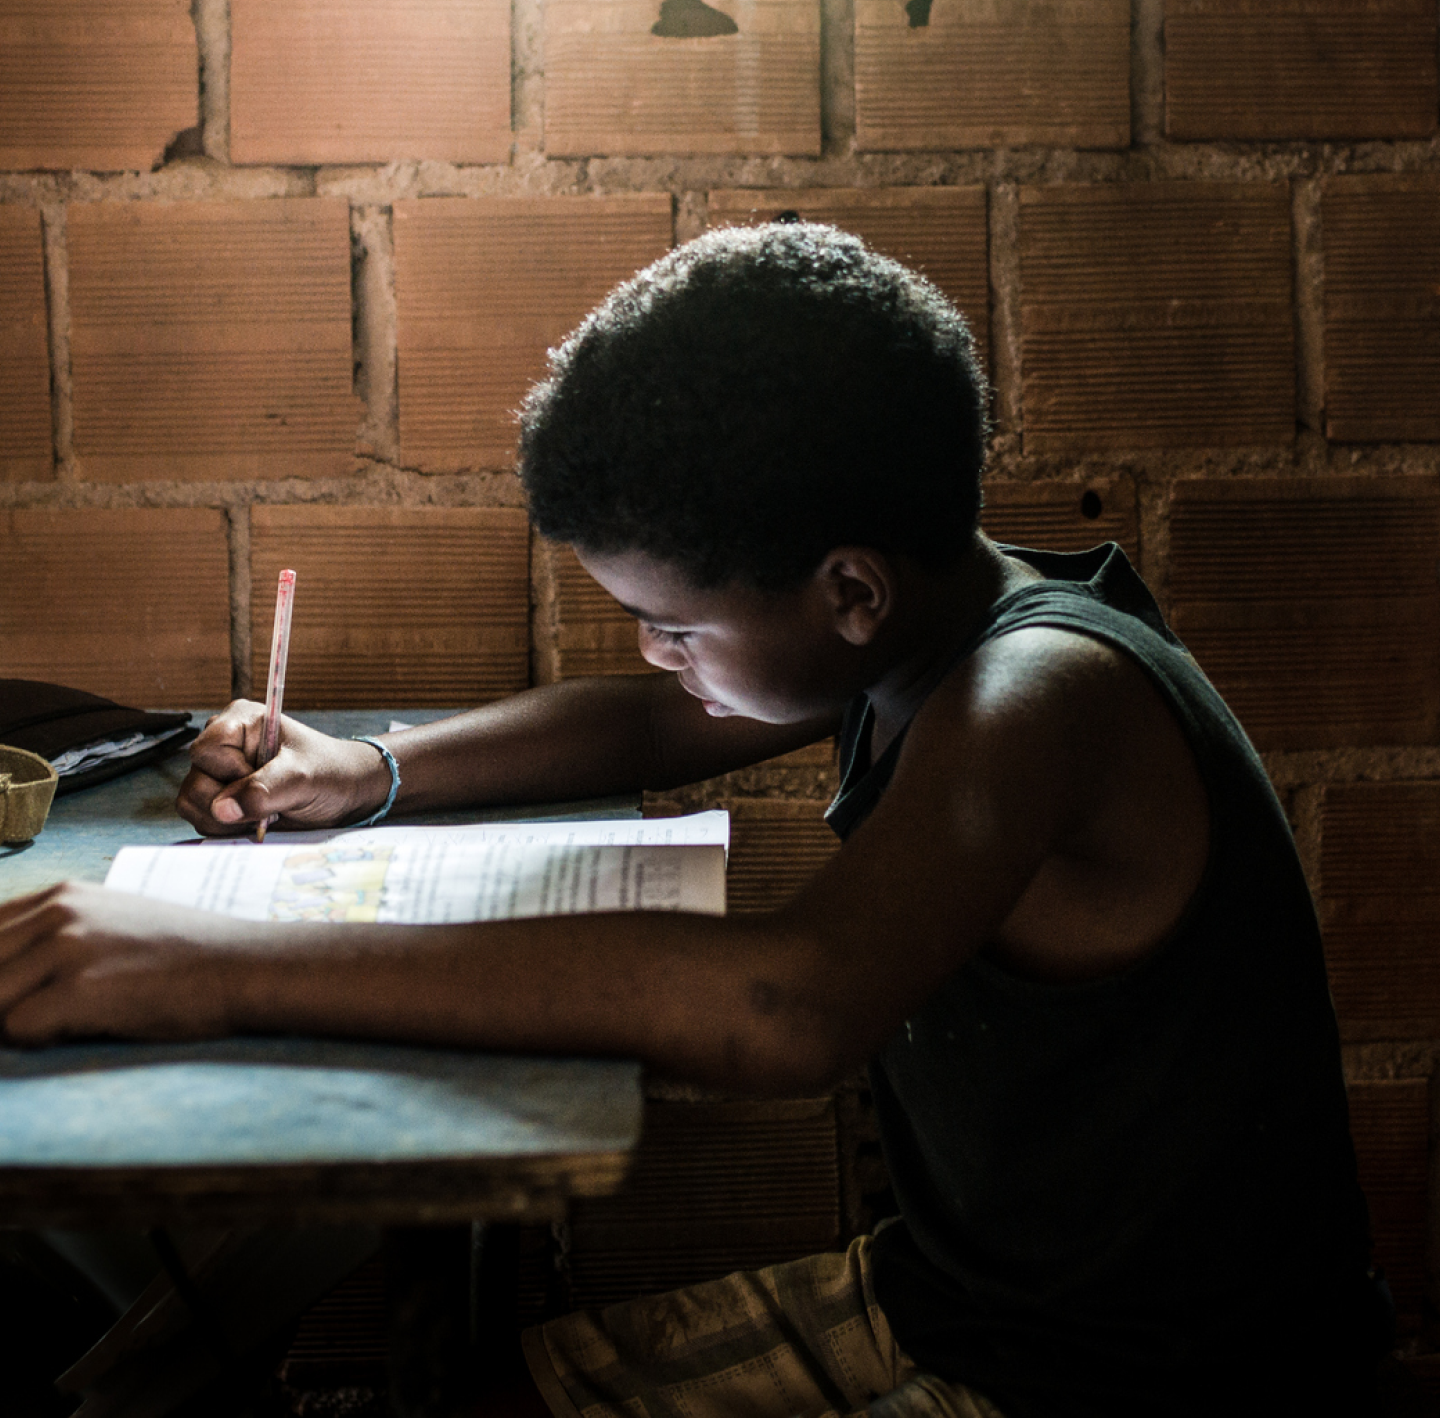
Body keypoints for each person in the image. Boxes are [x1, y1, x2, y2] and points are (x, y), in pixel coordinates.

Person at [0, 224, 1391, 1418]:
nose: (661, 656)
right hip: (966, 1302)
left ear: (849, 592)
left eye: (673, 623)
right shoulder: (918, 624)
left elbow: (787, 1007)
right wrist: (368, 769)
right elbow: (654, 723)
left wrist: (200, 957)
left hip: (1142, 1386)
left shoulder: (1040, 695)